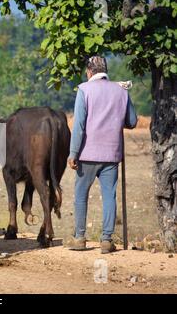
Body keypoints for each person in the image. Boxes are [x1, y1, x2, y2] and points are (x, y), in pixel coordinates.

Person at [66, 56, 138, 254]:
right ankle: (106, 240)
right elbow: (132, 121)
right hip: (112, 154)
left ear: (90, 71)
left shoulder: (84, 90)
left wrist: (73, 153)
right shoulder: (121, 90)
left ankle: (80, 238)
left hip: (87, 154)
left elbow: (79, 126)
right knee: (109, 196)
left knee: (81, 196)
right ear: (105, 70)